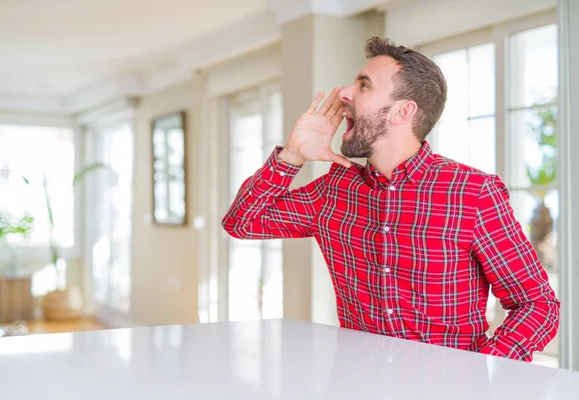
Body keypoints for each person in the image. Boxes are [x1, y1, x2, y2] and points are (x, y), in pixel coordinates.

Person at [222, 37, 560, 362]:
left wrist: (482, 371)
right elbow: (242, 222)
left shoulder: (471, 193)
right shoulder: (333, 192)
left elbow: (536, 304)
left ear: (401, 112)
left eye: (364, 85)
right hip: (354, 385)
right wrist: (292, 155)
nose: (343, 93)